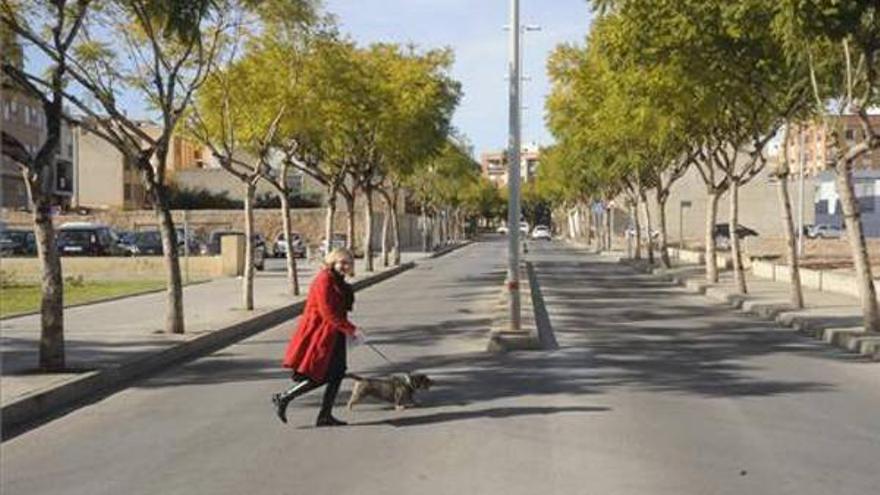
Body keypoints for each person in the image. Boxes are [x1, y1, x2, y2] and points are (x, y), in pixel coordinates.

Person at [272, 248, 364, 427]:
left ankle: (325, 415)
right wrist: (352, 330)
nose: (345, 266)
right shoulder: (324, 280)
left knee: (338, 373)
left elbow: (339, 310)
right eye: (342, 262)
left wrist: (349, 330)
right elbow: (327, 312)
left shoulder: (338, 280)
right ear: (333, 262)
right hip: (319, 333)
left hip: (334, 332)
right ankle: (284, 397)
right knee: (320, 373)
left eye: (348, 263)